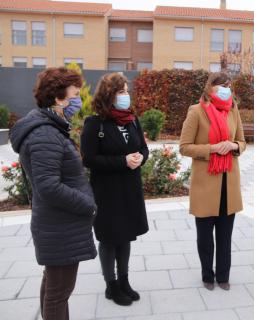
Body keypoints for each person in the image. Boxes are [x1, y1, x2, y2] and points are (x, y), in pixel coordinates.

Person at [10, 67, 97, 320]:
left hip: (59, 225)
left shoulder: (49, 127)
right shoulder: (45, 134)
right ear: (59, 98)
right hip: (60, 227)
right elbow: (48, 186)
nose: (79, 100)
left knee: (53, 287)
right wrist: (87, 205)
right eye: (75, 94)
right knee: (59, 293)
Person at [80, 73, 149, 306]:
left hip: (129, 189)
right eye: (121, 92)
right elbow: (89, 158)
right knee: (109, 238)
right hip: (107, 191)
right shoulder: (95, 123)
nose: (126, 96)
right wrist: (122, 161)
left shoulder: (132, 119)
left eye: (127, 91)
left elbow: (144, 148)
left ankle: (124, 280)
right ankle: (111, 285)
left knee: (126, 235)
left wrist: (141, 158)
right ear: (109, 95)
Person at [179, 72, 246, 291]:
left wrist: (234, 146)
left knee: (225, 237)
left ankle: (223, 276)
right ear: (210, 88)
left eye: (229, 85)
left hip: (229, 183)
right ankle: (207, 275)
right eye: (221, 86)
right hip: (206, 184)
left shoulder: (233, 110)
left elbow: (242, 142)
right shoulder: (196, 111)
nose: (226, 89)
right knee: (205, 237)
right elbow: (184, 146)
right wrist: (212, 149)